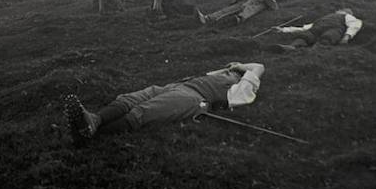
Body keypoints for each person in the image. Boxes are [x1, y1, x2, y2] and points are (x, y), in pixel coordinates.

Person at [63, 62, 265, 140]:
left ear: (241, 76)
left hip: (193, 99)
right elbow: (220, 70)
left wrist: (241, 65)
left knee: (143, 111)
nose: (228, 71)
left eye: (233, 72)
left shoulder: (242, 89)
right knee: (130, 99)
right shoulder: (223, 75)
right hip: (175, 87)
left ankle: (91, 133)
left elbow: (259, 67)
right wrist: (230, 68)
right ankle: (94, 120)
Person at [268, 8, 363, 52]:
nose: (337, 11)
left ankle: (313, 51)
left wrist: (347, 36)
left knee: (328, 36)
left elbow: (355, 24)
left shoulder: (347, 16)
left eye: (340, 10)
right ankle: (292, 47)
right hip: (316, 28)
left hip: (334, 29)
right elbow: (304, 28)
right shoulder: (323, 18)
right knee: (305, 35)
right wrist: (282, 29)